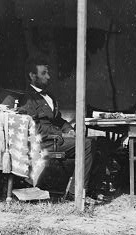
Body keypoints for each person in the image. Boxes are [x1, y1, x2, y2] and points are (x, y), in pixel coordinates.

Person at [17, 57, 107, 203]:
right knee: (87, 144)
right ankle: (75, 193)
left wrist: (69, 129)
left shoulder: (49, 96)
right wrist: (60, 133)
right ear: (32, 76)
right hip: (45, 141)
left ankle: (91, 190)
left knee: (100, 142)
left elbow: (58, 119)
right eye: (44, 73)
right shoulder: (28, 99)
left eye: (48, 73)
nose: (48, 76)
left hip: (56, 137)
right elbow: (33, 127)